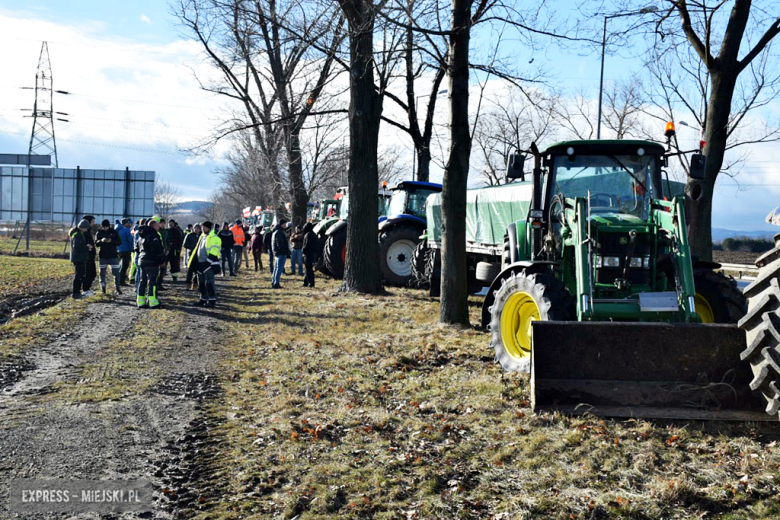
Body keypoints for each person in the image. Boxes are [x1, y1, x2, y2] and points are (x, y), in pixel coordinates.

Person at [189, 221, 222, 307]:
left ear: (209, 228)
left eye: (204, 227)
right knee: (201, 283)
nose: (203, 229)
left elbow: (214, 251)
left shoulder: (214, 238)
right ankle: (203, 299)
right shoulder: (202, 236)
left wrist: (208, 262)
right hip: (200, 263)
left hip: (208, 264)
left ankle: (212, 300)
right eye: (202, 227)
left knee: (209, 283)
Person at [136, 217, 166, 308]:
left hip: (142, 260)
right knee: (152, 281)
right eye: (157, 226)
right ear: (153, 226)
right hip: (151, 261)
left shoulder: (141, 235)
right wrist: (161, 261)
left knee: (142, 281)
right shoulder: (154, 236)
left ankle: (140, 301)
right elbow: (156, 250)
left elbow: (137, 248)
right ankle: (152, 301)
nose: (159, 228)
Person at [95, 219, 122, 294]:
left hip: (113, 255)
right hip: (103, 255)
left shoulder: (114, 232)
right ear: (102, 226)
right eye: (104, 227)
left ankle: (117, 288)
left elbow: (119, 242)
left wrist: (111, 241)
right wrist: (101, 241)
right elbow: (96, 243)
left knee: (116, 272)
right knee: (102, 273)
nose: (105, 228)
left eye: (106, 227)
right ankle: (103, 288)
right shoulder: (99, 233)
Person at [69, 219, 92, 299]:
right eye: (86, 228)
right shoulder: (78, 234)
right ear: (83, 227)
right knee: (79, 275)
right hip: (79, 258)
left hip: (78, 257)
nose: (86, 230)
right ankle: (76, 293)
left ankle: (77, 292)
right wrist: (87, 247)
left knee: (80, 274)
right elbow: (77, 246)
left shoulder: (77, 233)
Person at [271, 219, 291, 289]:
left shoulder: (275, 232)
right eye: (285, 224)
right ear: (281, 224)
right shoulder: (279, 232)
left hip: (277, 253)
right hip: (281, 253)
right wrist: (285, 251)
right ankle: (276, 283)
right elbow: (280, 244)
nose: (286, 226)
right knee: (279, 269)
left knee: (276, 268)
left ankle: (274, 281)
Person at [81, 215, 97, 296]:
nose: (94, 224)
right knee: (89, 273)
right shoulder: (84, 232)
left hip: (91, 255)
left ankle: (87, 289)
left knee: (93, 273)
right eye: (92, 222)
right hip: (87, 256)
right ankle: (85, 290)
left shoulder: (89, 231)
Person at [182, 223, 202, 290]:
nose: (196, 230)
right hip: (191, 256)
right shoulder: (189, 235)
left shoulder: (202, 236)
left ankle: (195, 285)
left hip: (199, 256)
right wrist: (194, 247)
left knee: (197, 272)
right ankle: (187, 284)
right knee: (190, 272)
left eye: (198, 228)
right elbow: (185, 245)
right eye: (195, 228)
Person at [116, 218, 134, 287]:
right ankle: (121, 281)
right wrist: (132, 249)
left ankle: (119, 279)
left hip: (119, 249)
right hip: (126, 250)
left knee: (121, 265)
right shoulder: (126, 230)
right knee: (125, 266)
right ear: (127, 223)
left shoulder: (118, 229)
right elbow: (130, 240)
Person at [301, 222, 318, 288]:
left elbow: (306, 244)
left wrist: (303, 250)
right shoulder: (313, 234)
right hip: (312, 253)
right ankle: (306, 282)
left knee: (308, 269)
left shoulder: (308, 235)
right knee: (308, 268)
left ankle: (311, 282)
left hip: (308, 254)